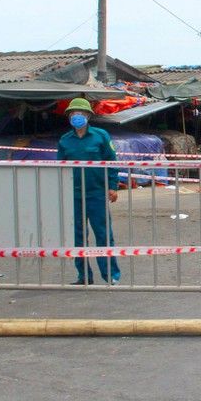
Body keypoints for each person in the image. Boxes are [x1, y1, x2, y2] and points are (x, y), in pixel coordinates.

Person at [57, 97, 124, 285]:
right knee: (77, 237)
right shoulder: (65, 141)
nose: (76, 116)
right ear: (69, 117)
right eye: (73, 113)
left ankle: (111, 276)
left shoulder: (100, 136)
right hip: (74, 195)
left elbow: (111, 162)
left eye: (80, 113)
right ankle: (84, 275)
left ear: (88, 115)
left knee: (103, 235)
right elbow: (59, 169)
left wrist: (112, 186)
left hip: (97, 193)